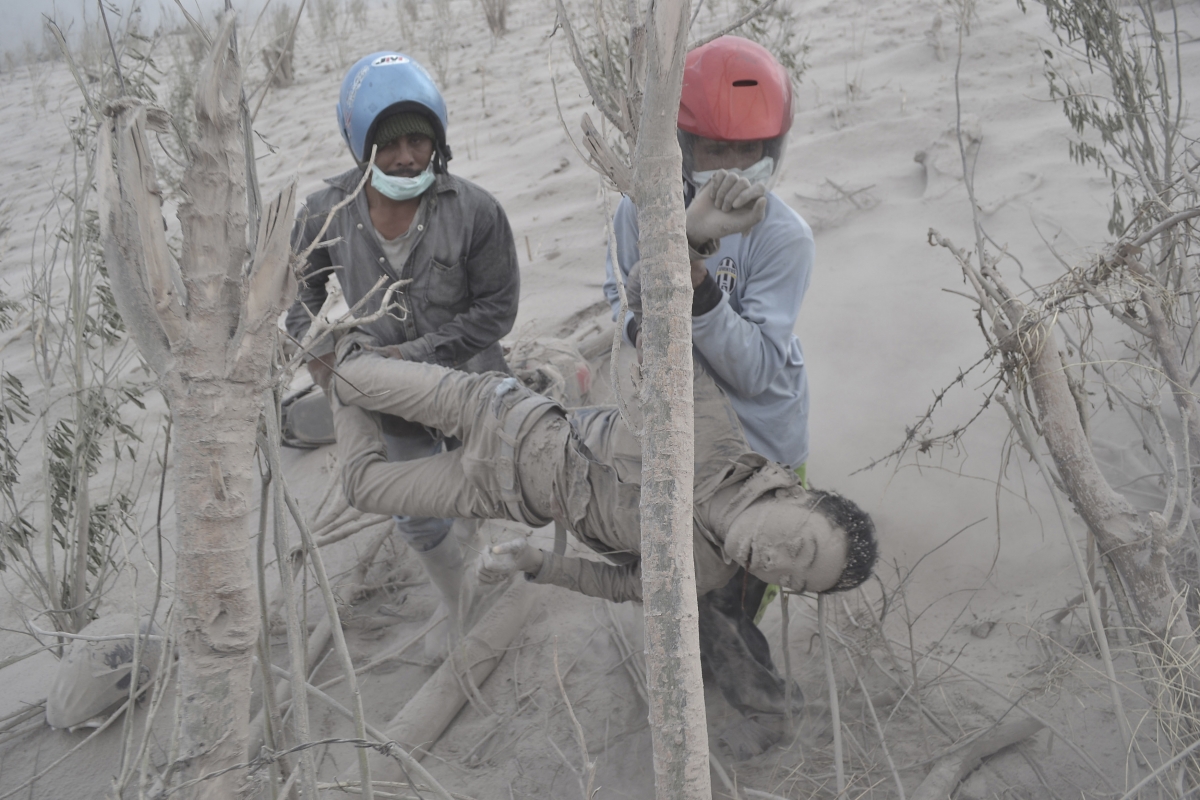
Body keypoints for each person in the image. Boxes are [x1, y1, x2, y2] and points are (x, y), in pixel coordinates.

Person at [328, 331, 877, 755]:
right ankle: (351, 343)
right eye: (799, 548)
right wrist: (696, 241)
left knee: (363, 486)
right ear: (797, 495)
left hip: (495, 492)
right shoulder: (711, 437)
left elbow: (617, 583)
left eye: (794, 582)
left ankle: (358, 364)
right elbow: (654, 321)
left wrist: (539, 561)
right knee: (343, 374)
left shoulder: (704, 574)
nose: (777, 564)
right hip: (495, 413)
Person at [285, 52, 520, 657]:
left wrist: (413, 354)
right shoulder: (324, 213)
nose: (407, 157)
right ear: (360, 146)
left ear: (438, 141)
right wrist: (314, 352)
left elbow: (496, 310)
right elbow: (297, 293)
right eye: (389, 146)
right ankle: (456, 601)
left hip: (470, 380)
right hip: (390, 403)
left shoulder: (475, 210)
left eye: (419, 140)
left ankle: (480, 559)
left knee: (486, 481)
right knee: (414, 513)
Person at [602, 35, 812, 670]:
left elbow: (754, 369)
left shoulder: (784, 237)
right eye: (715, 148)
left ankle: (757, 716)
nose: (730, 165)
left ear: (772, 149)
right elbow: (621, 304)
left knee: (736, 606)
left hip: (762, 453)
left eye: (748, 150)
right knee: (688, 593)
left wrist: (692, 289)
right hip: (682, 444)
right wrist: (659, 287)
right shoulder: (637, 212)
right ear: (683, 147)